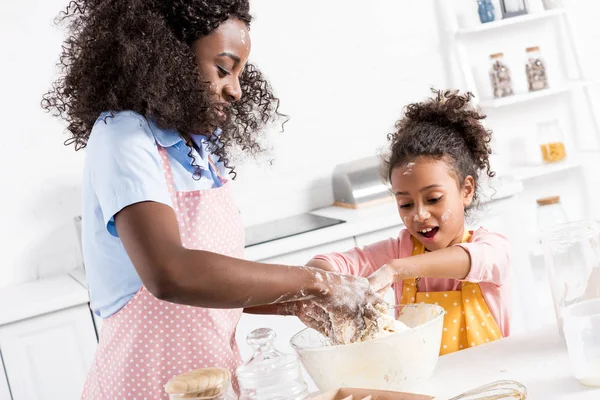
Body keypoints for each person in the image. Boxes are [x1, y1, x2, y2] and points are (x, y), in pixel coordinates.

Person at [42, 1, 381, 398]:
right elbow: (172, 273)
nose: (235, 90)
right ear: (168, 55)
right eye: (223, 69)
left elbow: (214, 287)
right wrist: (316, 283)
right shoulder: (123, 136)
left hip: (217, 382)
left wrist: (294, 301)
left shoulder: (200, 150)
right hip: (148, 386)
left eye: (239, 73)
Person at [307, 89, 512, 356]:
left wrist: (396, 270)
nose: (419, 214)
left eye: (434, 198)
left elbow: (472, 260)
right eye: (405, 204)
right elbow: (331, 264)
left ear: (466, 190)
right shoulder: (400, 249)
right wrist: (320, 283)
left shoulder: (492, 247)